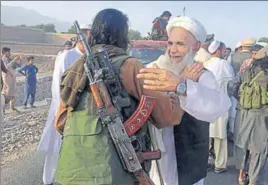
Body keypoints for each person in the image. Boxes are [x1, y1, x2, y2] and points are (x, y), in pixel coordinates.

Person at [53, 8, 187, 185]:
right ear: (123, 36)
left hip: (69, 173)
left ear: (93, 34)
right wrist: (178, 92)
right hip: (115, 175)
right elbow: (168, 115)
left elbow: (61, 123)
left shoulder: (75, 69)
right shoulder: (131, 66)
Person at [137, 16, 231, 185]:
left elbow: (219, 106)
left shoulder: (201, 74)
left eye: (180, 44)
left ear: (195, 47)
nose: (173, 50)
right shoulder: (152, 70)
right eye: (170, 43)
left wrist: (182, 86)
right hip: (156, 161)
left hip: (189, 162)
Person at [37, 23, 91, 185]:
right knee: (56, 149)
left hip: (83, 112)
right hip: (64, 108)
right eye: (86, 35)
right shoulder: (67, 56)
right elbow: (58, 86)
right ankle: (49, 181)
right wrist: (64, 108)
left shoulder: (90, 57)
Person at [228, 47, 268, 185]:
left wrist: (242, 100)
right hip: (260, 116)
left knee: (242, 145)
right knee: (259, 149)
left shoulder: (245, 71)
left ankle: (241, 176)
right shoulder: (266, 75)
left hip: (242, 113)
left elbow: (231, 86)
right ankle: (253, 180)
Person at [204, 40, 235, 174]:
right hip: (220, 106)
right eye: (223, 51)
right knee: (220, 137)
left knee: (206, 136)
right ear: (218, 51)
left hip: (205, 106)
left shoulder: (205, 64)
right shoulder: (224, 64)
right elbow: (231, 85)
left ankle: (205, 162)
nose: (225, 53)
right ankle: (220, 164)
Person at [1, 47, 22, 112]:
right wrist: (13, 61)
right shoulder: (3, 60)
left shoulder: (9, 59)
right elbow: (6, 67)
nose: (10, 53)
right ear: (5, 53)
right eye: (8, 52)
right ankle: (2, 109)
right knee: (7, 94)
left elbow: (17, 66)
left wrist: (19, 60)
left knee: (12, 93)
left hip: (12, 79)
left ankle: (12, 107)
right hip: (7, 79)